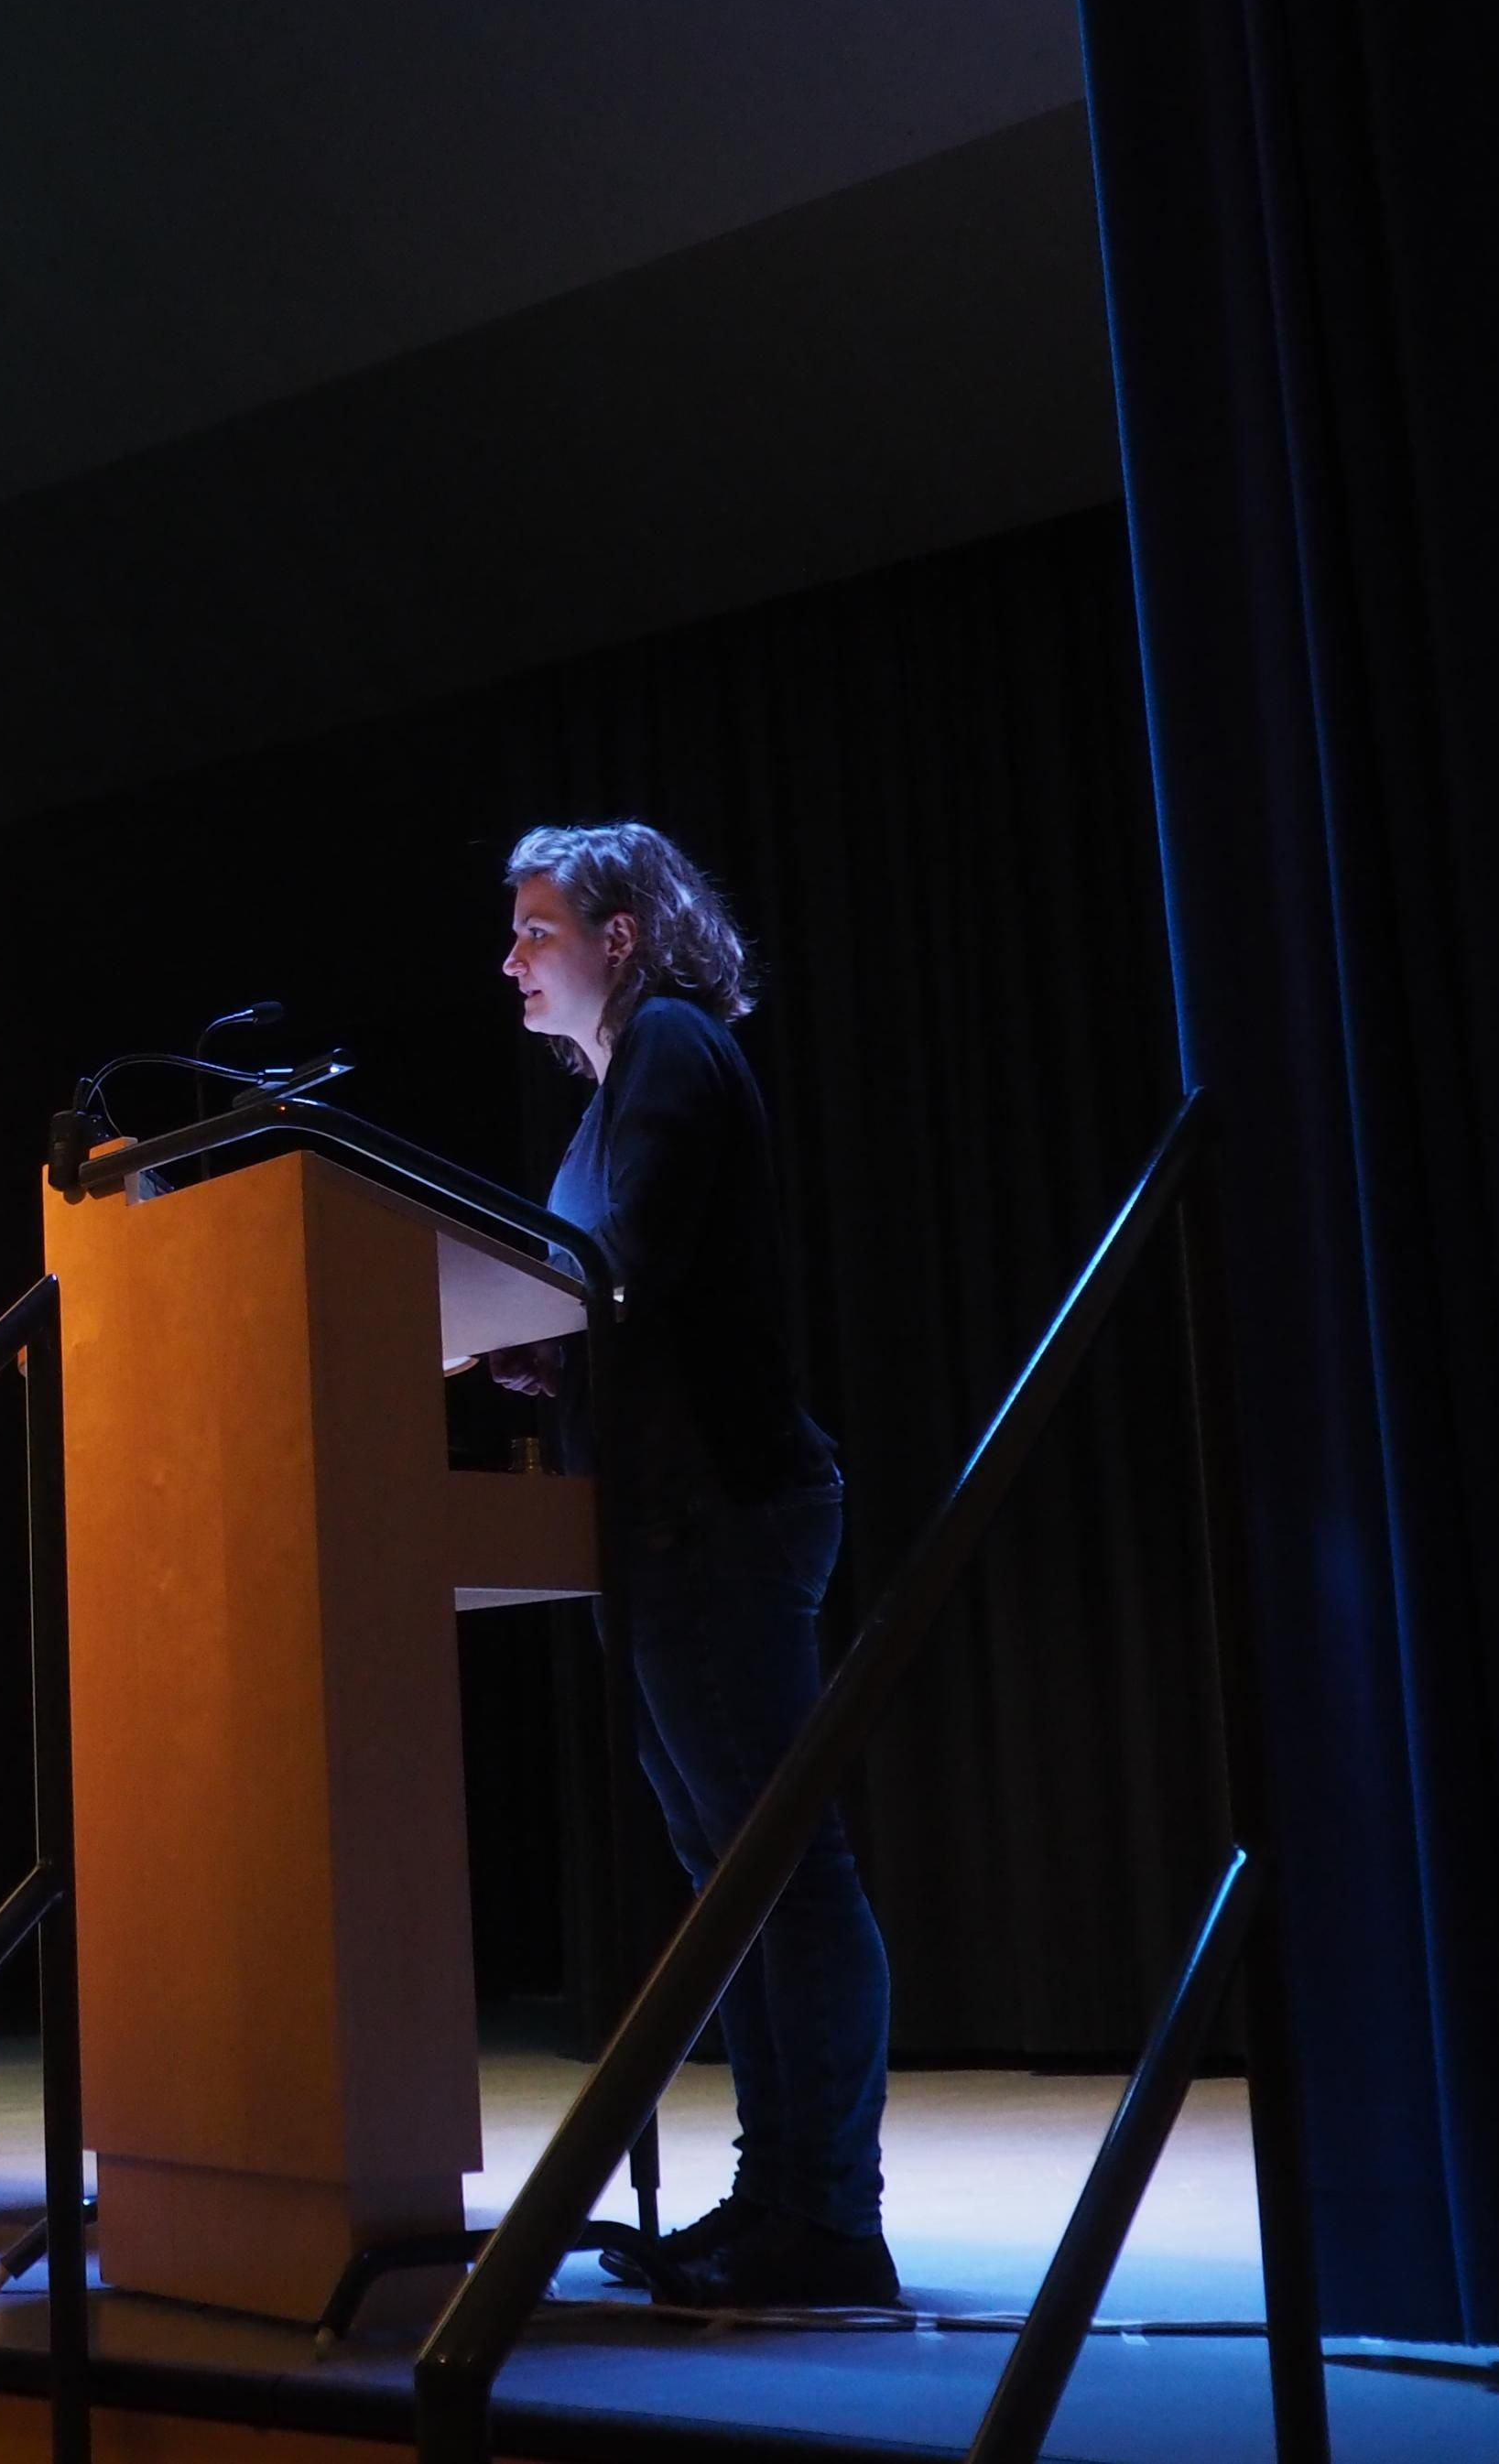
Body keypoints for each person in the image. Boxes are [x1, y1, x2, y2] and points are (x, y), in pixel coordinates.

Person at [483, 820, 899, 2309]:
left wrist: (537, 1321)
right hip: (660, 1521)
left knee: (777, 1866)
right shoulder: (607, 1098)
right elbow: (606, 1289)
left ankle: (827, 2213)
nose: (511, 958)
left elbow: (625, 1260)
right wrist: (537, 1350)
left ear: (624, 935)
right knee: (737, 1873)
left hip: (717, 1512)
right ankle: (776, 2197)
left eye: (536, 927)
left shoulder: (667, 1044)